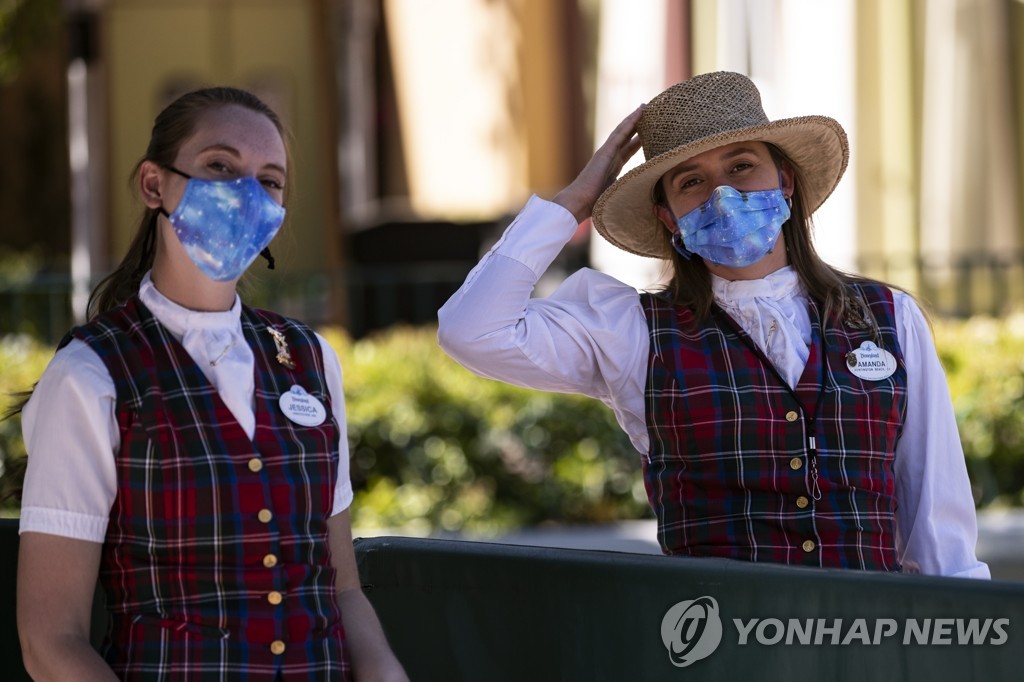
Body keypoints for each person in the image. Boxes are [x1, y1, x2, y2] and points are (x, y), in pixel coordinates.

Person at [438, 71, 989, 579]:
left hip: (869, 646)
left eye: (742, 166)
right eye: (691, 182)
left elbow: (936, 518)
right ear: (667, 215)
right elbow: (472, 330)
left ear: (786, 181)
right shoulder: (632, 332)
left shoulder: (890, 318)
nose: (722, 195)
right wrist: (572, 202)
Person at [16, 87, 409, 681]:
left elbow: (342, 590)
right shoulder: (90, 375)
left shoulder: (311, 357)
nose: (246, 195)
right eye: (220, 166)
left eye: (270, 180)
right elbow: (50, 640)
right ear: (155, 185)